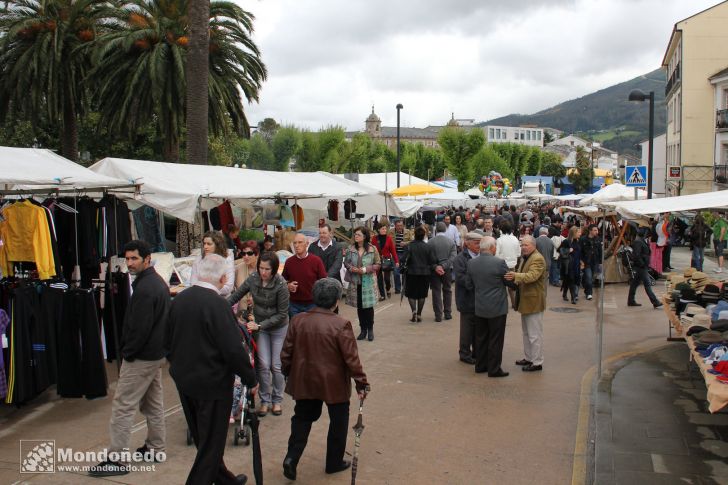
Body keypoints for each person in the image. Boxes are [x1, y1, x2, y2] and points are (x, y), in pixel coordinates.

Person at [167, 254, 257, 485]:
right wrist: (251, 379)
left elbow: (166, 340)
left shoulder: (179, 300)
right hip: (212, 384)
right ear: (223, 277)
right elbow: (232, 349)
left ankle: (226, 481)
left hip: (185, 381)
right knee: (211, 445)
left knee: (204, 440)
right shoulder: (217, 304)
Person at [90, 241, 170, 477]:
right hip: (154, 355)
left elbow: (139, 329)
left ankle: (117, 459)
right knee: (153, 404)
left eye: (134, 258)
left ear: (147, 260)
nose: (130, 263)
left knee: (123, 407)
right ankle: (156, 447)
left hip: (142, 357)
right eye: (128, 259)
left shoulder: (147, 289)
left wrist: (128, 353)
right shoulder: (155, 283)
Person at [281, 278, 370, 481]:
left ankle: (291, 458)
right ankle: (334, 461)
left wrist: (289, 372)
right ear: (336, 301)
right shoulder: (341, 324)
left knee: (302, 419)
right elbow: (352, 359)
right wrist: (361, 382)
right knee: (338, 422)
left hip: (305, 380)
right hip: (334, 383)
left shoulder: (298, 320)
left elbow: (286, 353)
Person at [228, 252, 289, 417]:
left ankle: (277, 400)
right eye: (261, 268)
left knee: (276, 365)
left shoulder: (281, 284)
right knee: (262, 364)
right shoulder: (253, 278)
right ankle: (265, 400)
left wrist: (260, 325)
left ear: (274, 269)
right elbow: (236, 295)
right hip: (259, 326)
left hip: (277, 327)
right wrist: (221, 307)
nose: (263, 272)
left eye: (267, 269)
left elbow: (283, 314)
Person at [465, 236, 509, 377]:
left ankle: (481, 365)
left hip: (480, 307)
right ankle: (494, 369)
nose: (496, 248)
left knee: (481, 338)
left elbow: (468, 285)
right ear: (491, 248)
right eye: (495, 246)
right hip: (497, 307)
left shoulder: (471, 263)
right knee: (496, 339)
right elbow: (510, 282)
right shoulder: (500, 263)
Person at [505, 236, 547, 372]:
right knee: (526, 333)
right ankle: (529, 358)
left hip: (534, 301)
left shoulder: (538, 258)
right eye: (522, 245)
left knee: (535, 334)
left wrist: (515, 276)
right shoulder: (526, 257)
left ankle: (537, 362)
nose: (523, 247)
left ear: (533, 245)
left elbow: (532, 276)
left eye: (526, 245)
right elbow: (523, 274)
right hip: (526, 300)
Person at [343, 227, 382, 341]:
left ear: (364, 236)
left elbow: (378, 264)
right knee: (360, 307)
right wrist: (351, 268)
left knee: (368, 307)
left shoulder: (372, 249)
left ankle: (370, 330)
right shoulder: (351, 249)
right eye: (355, 234)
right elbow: (346, 263)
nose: (356, 236)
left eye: (358, 235)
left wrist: (365, 269)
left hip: (368, 282)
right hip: (356, 283)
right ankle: (363, 330)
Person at [453, 232, 482, 365]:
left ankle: (477, 352)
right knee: (466, 329)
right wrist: (478, 282)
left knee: (478, 328)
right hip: (466, 298)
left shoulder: (482, 256)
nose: (479, 246)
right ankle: (464, 353)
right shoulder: (460, 259)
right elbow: (460, 278)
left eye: (480, 243)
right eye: (476, 243)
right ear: (467, 243)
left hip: (480, 299)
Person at [282, 233, 327, 317]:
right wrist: (288, 285)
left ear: (307, 244)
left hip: (312, 304)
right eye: (295, 243)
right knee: (296, 329)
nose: (296, 245)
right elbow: (282, 280)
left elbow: (324, 282)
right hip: (294, 304)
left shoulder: (316, 261)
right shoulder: (289, 262)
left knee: (311, 329)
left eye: (300, 242)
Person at [402, 226, 438, 322]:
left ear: (414, 235)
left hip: (411, 272)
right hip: (425, 273)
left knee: (410, 294)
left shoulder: (409, 246)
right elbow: (433, 260)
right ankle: (419, 314)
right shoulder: (428, 247)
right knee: (422, 295)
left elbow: (403, 259)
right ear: (424, 235)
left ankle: (413, 311)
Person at [190, 231, 235, 297]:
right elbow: (193, 283)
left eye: (209, 244)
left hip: (221, 298)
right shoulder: (199, 259)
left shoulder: (227, 260)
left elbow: (229, 287)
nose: (205, 246)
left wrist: (208, 289)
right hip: (201, 297)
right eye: (204, 243)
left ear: (217, 245)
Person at [428, 222, 457, 322]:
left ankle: (438, 315)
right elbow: (453, 257)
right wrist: (443, 266)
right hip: (447, 269)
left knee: (436, 291)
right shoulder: (451, 242)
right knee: (447, 290)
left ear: (436, 230)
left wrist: (436, 266)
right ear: (445, 229)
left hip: (434, 270)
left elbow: (428, 258)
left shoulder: (430, 242)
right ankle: (448, 313)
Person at [628, 228, 663, 309]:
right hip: (641, 267)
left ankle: (631, 300)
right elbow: (637, 255)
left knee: (634, 284)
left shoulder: (641, 240)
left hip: (642, 266)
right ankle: (655, 302)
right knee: (647, 284)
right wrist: (642, 264)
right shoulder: (638, 241)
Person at [372, 223, 398, 300]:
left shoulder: (389, 238)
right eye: (382, 229)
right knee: (379, 278)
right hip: (377, 260)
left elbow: (393, 251)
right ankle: (382, 295)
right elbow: (372, 250)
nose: (384, 230)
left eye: (385, 229)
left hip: (387, 260)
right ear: (378, 230)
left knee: (387, 278)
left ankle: (388, 289)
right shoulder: (374, 239)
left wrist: (396, 261)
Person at [233, 241, 259, 312]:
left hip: (259, 313)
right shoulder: (237, 268)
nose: (246, 256)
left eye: (250, 253)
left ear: (257, 254)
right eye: (243, 254)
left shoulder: (263, 269)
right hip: (242, 313)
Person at [579, 224, 602, 301]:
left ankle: (586, 290)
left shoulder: (598, 239)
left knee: (591, 278)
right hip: (586, 262)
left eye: (597, 230)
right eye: (595, 230)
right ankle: (589, 293)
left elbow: (600, 251)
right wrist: (581, 260)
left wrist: (600, 262)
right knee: (588, 277)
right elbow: (580, 251)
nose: (597, 232)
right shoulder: (583, 239)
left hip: (595, 262)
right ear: (590, 231)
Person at [390, 219, 412, 294]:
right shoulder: (391, 232)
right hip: (395, 254)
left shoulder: (407, 231)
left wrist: (405, 243)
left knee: (405, 271)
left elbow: (412, 241)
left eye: (401, 225)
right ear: (395, 225)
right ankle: (397, 288)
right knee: (396, 272)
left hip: (404, 254)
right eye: (398, 226)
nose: (400, 227)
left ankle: (404, 288)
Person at [561, 226, 582, 304]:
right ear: (574, 233)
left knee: (569, 280)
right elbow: (560, 251)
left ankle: (564, 293)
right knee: (571, 280)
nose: (580, 234)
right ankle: (573, 297)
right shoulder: (566, 241)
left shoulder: (578, 241)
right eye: (578, 232)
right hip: (568, 265)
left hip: (576, 264)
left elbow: (579, 253)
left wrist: (581, 261)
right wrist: (567, 251)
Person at [535, 227, 554, 291]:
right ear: (547, 233)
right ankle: (543, 298)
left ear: (539, 232)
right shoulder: (551, 241)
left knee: (536, 282)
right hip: (547, 264)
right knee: (544, 283)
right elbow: (552, 254)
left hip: (537, 264)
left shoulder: (536, 240)